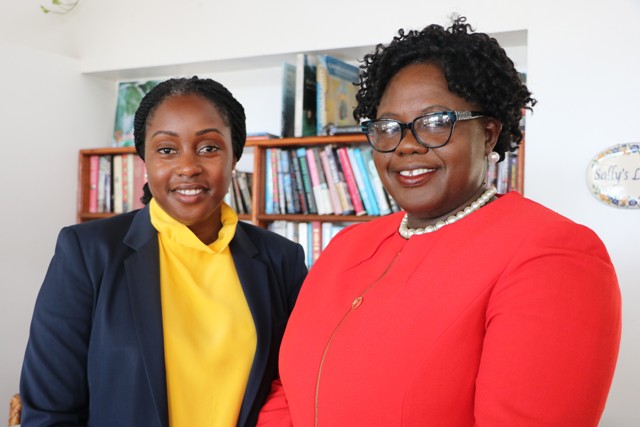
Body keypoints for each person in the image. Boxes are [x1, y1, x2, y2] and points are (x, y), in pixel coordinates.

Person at [258, 16, 621, 426]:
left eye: (435, 123)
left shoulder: (552, 254)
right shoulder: (347, 246)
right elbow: (286, 390)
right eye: (388, 127)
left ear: (488, 134)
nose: (406, 145)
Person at [20, 76, 308, 427]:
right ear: (145, 158)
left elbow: (299, 387)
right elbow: (50, 412)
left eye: (209, 148)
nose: (188, 167)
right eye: (167, 150)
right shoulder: (87, 253)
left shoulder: (282, 260)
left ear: (235, 156)